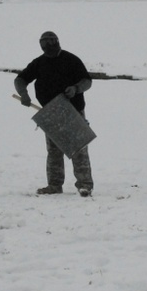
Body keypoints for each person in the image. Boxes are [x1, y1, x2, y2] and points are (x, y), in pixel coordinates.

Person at [14, 31, 94, 197]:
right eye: (45, 43)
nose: (49, 46)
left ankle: (85, 185)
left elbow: (87, 81)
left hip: (72, 110)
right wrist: (24, 94)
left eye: (51, 42)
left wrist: (76, 88)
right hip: (50, 112)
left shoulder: (71, 60)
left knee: (78, 148)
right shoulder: (39, 63)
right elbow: (20, 79)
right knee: (54, 150)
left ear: (57, 42)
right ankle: (54, 185)